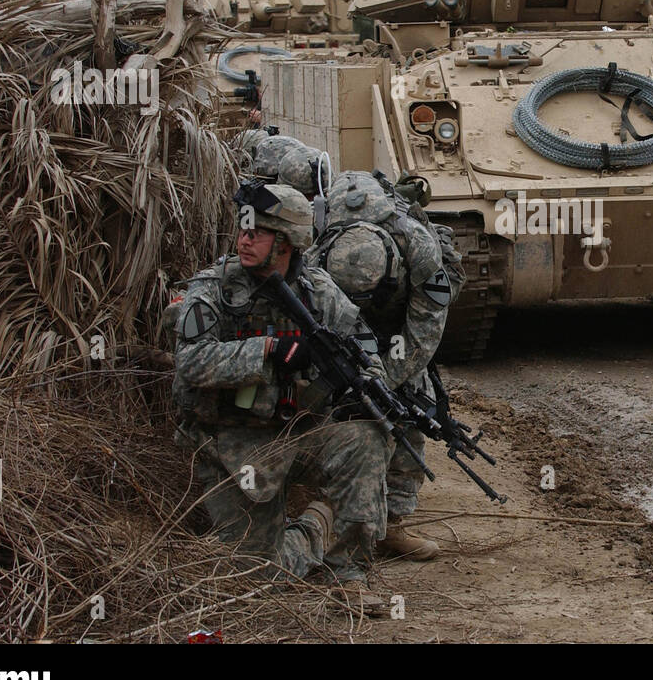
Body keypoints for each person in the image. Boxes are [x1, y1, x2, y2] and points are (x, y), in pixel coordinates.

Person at [171, 179, 395, 605]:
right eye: (243, 228)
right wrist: (269, 350)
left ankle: (347, 574)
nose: (245, 238)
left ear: (288, 242)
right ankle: (314, 527)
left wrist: (362, 385)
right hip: (232, 441)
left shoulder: (318, 290)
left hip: (299, 432)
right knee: (256, 577)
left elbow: (365, 349)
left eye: (258, 232)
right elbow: (191, 361)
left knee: (367, 438)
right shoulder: (215, 288)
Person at [311, 171, 459, 561]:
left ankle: (392, 525)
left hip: (398, 325)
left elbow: (426, 326)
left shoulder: (418, 248)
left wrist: (387, 380)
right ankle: (326, 511)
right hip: (339, 323)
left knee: (408, 407)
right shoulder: (313, 252)